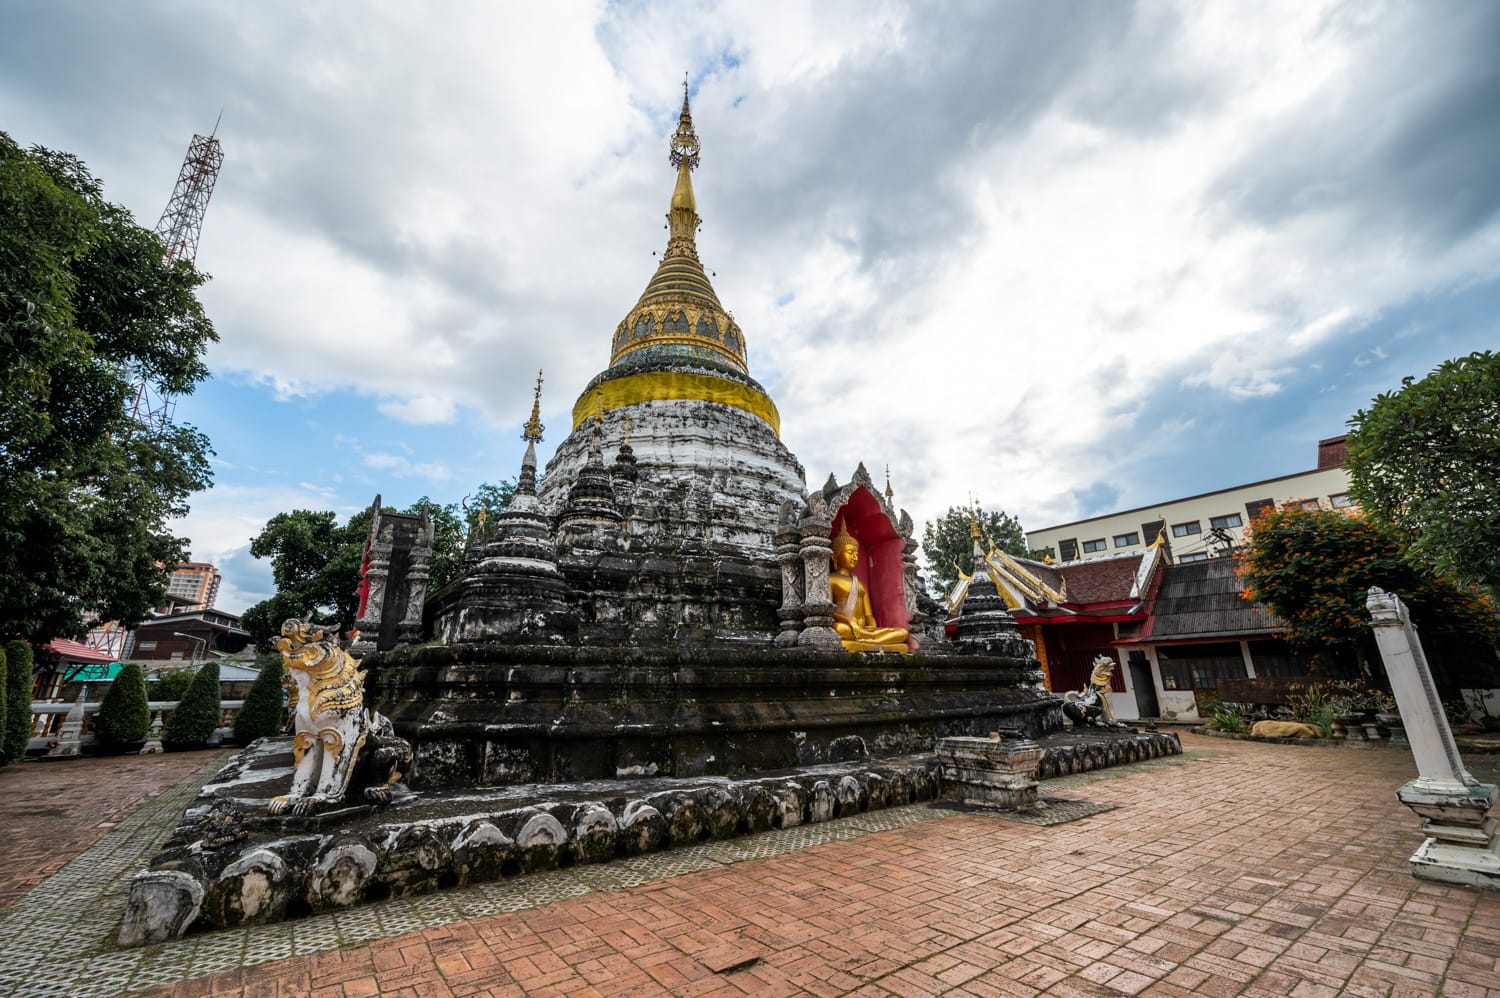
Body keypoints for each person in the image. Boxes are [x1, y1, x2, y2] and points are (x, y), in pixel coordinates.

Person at [828, 522, 911, 651]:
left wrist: (873, 628)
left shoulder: (860, 584)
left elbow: (869, 616)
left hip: (865, 631)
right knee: (839, 629)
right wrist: (849, 622)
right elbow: (829, 611)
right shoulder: (831, 579)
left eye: (856, 553)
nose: (855, 557)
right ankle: (871, 642)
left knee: (902, 633)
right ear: (835, 556)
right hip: (847, 627)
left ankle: (866, 641)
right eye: (850, 553)